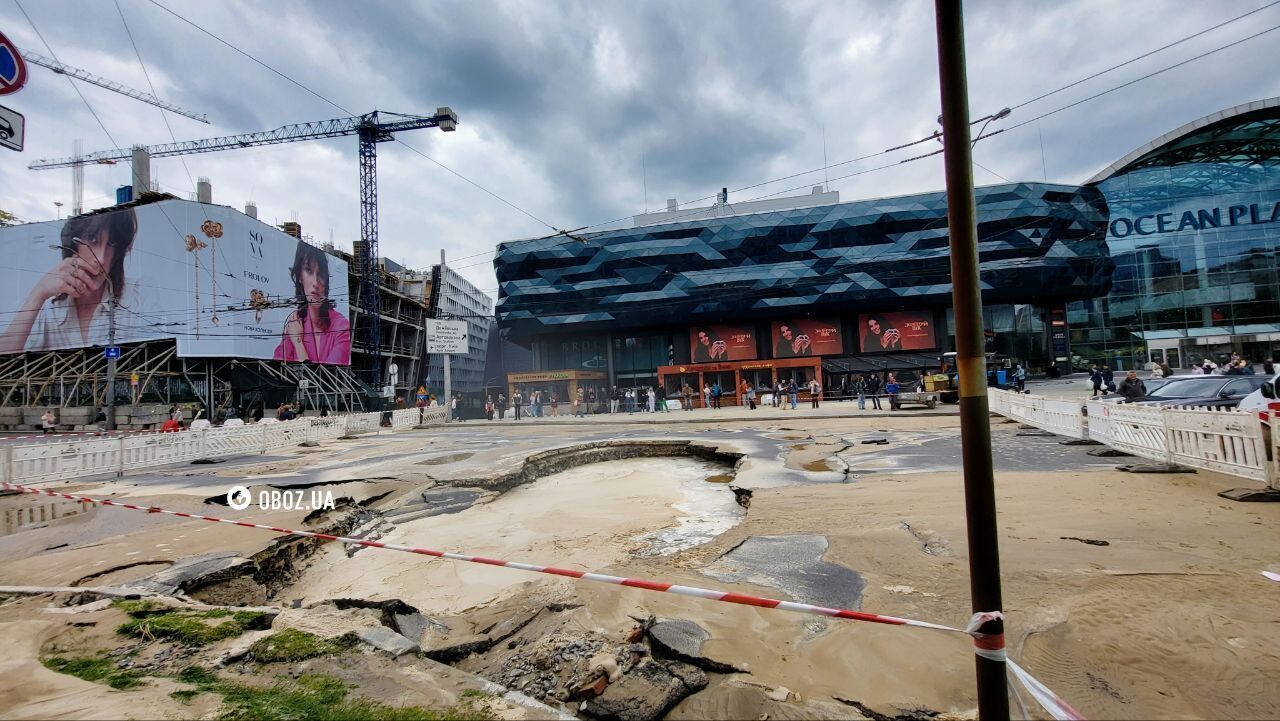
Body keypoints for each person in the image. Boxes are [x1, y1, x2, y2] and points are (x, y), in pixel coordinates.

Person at [1, 208, 138, 354]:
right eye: (92, 239)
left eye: (112, 243)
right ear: (72, 245)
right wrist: (39, 292)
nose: (101, 258)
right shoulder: (46, 306)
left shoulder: (138, 297)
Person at [274, 242, 351, 364]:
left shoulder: (341, 327)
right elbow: (276, 368)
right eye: (309, 270)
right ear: (300, 276)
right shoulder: (296, 323)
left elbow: (328, 377)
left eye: (320, 274)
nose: (315, 282)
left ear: (326, 280)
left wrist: (298, 342)